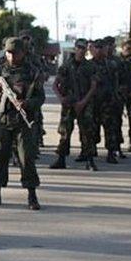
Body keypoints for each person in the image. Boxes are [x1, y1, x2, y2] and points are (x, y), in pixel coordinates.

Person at [0, 37, 44, 210]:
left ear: (23, 53)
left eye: (15, 53)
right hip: (3, 119)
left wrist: (27, 103)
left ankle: (31, 194)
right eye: (8, 52)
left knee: (26, 157)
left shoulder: (32, 71)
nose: (11, 56)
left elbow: (39, 97)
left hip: (23, 121)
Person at [51, 38, 98, 170]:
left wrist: (83, 102)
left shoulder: (90, 66)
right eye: (79, 47)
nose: (81, 50)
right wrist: (61, 98)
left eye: (83, 48)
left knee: (87, 132)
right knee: (65, 132)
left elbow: (93, 86)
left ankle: (89, 159)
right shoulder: (66, 65)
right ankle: (61, 159)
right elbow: (55, 84)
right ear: (75, 48)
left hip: (85, 102)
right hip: (69, 103)